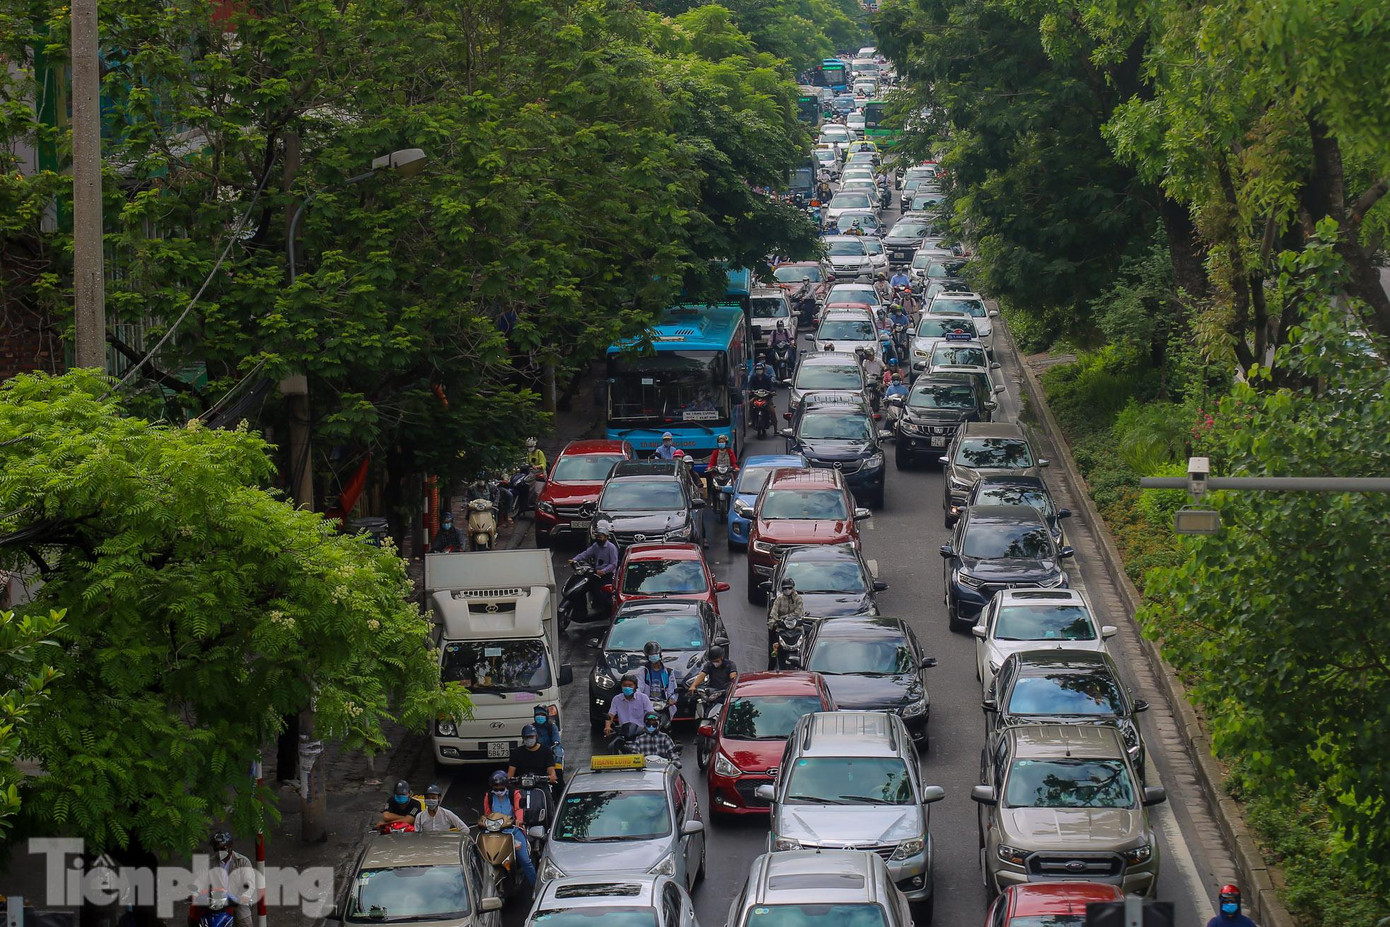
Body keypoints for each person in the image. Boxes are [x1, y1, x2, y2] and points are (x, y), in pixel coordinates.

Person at [481, 771, 536, 886]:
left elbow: (519, 809)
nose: (498, 790)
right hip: (494, 832)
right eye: (496, 788)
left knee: (525, 861)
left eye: (501, 788)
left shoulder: (514, 794)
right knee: (483, 858)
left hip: (513, 831)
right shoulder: (489, 796)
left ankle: (536, 888)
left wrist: (519, 820)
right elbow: (487, 814)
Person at [191, 831, 256, 927]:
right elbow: (200, 880)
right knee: (195, 919)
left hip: (236, 901)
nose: (219, 852)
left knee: (245, 922)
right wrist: (194, 893)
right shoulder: (209, 863)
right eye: (216, 849)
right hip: (214, 901)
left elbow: (249, 882)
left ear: (230, 847)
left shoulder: (242, 862)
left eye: (222, 848)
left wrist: (245, 895)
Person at [570, 522, 619, 614]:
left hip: (607, 575)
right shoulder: (596, 546)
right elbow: (586, 554)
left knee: (602, 594)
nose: (598, 538)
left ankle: (609, 611)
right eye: (597, 536)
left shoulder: (611, 548)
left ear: (606, 537)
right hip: (596, 573)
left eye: (600, 537)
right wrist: (574, 559)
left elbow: (613, 564)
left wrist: (603, 571)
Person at [767, 578, 805, 667]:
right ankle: (771, 666)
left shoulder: (798, 599)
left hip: (796, 628)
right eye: (785, 588)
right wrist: (773, 622)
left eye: (789, 588)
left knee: (805, 644)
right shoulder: (779, 600)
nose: (787, 590)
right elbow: (774, 613)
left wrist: (788, 618)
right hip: (782, 628)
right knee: (774, 647)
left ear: (793, 588)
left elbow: (799, 612)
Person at [638, 642, 679, 720]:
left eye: (655, 654)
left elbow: (673, 689)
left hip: (664, 705)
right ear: (647, 657)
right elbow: (639, 688)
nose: (654, 656)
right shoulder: (644, 672)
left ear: (660, 655)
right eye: (651, 655)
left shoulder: (669, 672)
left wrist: (672, 699)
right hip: (648, 705)